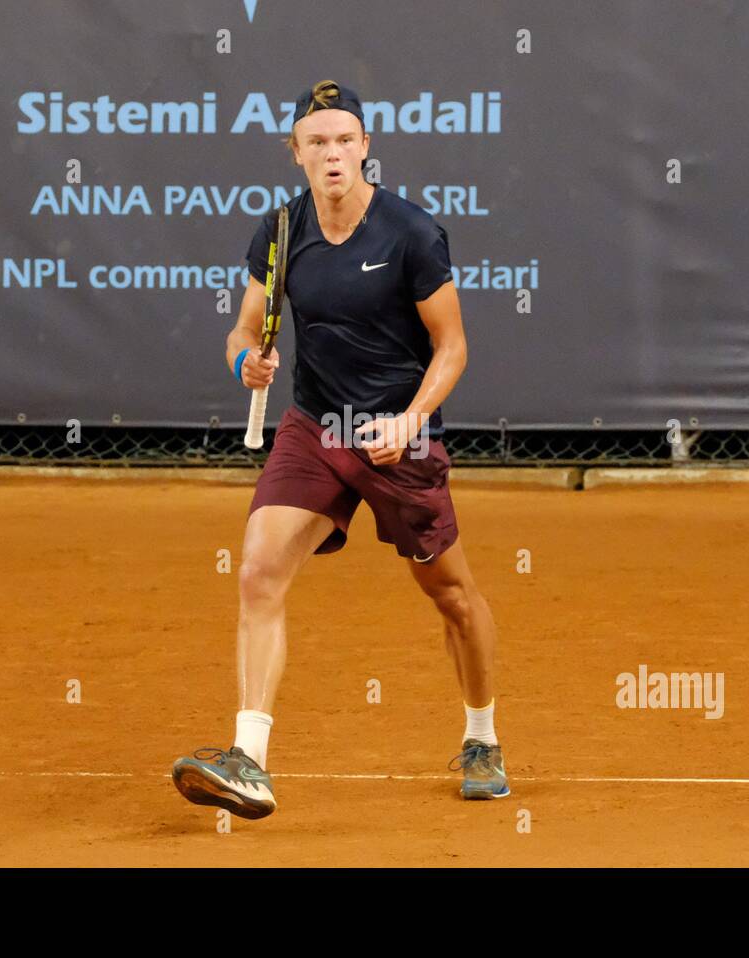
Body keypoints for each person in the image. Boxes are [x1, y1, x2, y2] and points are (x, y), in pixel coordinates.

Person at [172, 80, 507, 820]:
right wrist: (242, 363)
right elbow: (244, 331)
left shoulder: (412, 233)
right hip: (316, 427)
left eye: (344, 139)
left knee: (451, 594)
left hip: (398, 436)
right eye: (316, 141)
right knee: (258, 570)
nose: (332, 152)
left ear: (365, 148)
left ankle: (481, 736)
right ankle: (250, 760)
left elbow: (452, 348)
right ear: (296, 152)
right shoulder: (279, 233)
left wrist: (410, 420)